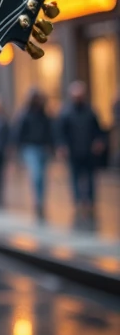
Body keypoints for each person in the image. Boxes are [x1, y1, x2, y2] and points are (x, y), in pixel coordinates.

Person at [55, 80, 106, 228]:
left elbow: (98, 129)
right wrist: (62, 146)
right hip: (74, 151)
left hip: (89, 151)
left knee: (90, 177)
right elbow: (60, 132)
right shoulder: (66, 113)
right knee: (75, 177)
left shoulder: (90, 111)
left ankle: (90, 201)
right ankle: (78, 201)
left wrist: (99, 141)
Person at [13, 87, 55, 222]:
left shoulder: (44, 114)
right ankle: (38, 201)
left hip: (43, 148)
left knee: (42, 176)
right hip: (30, 148)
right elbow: (19, 132)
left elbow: (50, 131)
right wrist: (17, 149)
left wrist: (52, 147)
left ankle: (41, 200)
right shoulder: (25, 114)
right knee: (36, 174)